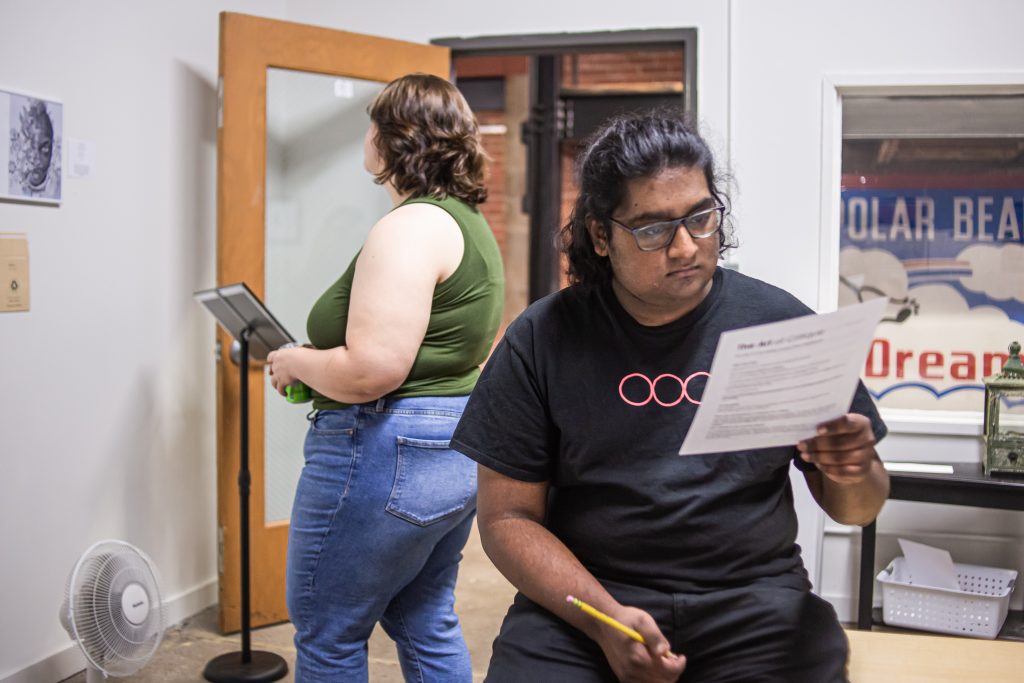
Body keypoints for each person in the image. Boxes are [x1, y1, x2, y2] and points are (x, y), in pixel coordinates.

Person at [449, 111, 890, 683]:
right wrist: (605, 620)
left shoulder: (777, 325)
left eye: (701, 217)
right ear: (601, 236)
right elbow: (507, 518)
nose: (685, 247)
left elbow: (856, 509)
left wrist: (854, 469)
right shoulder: (543, 338)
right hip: (587, 600)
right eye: (653, 228)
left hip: (753, 601)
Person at [266, 73, 505, 682]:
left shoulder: (409, 228)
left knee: (329, 634)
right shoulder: (466, 223)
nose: (365, 136)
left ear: (394, 139)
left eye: (372, 123)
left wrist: (296, 362)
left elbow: (374, 368)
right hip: (449, 446)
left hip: (384, 449)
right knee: (425, 616)